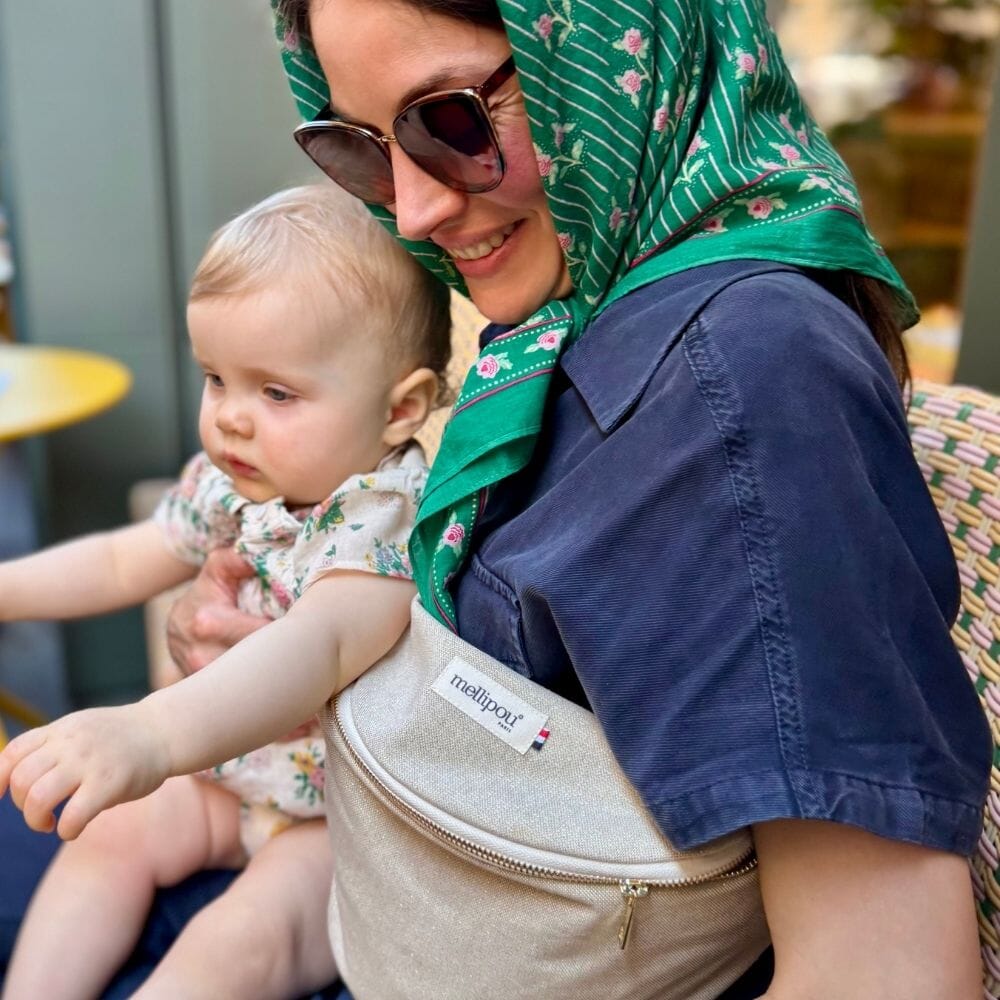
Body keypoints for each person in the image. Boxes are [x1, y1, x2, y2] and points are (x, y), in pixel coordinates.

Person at [162, 0, 993, 996]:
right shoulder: (584, 298)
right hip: (378, 898)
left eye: (450, 121)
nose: (412, 212)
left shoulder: (748, 377)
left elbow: (885, 974)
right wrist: (293, 651)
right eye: (362, 146)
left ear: (606, 44)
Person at [0, 181, 451, 1000]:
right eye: (216, 378)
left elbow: (316, 647)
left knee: (235, 942)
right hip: (231, 779)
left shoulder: (384, 519)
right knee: (105, 838)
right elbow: (120, 562)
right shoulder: (238, 483)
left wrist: (147, 731)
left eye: (275, 392)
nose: (232, 418)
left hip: (340, 824)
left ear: (401, 409)